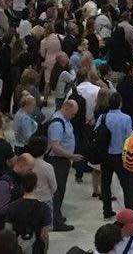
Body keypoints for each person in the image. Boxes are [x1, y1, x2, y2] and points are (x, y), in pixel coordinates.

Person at [46, 98, 82, 231]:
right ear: (66, 108)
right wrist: (71, 156)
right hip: (57, 161)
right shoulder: (57, 123)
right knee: (57, 191)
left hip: (63, 161)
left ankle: (57, 215)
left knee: (60, 191)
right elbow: (55, 147)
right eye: (72, 113)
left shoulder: (65, 120)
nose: (73, 116)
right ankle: (55, 222)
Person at [97, 92, 133, 217]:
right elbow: (128, 138)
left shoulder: (103, 117)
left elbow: (96, 132)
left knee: (105, 183)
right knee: (126, 184)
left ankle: (106, 210)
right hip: (120, 155)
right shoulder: (126, 118)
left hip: (105, 155)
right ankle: (129, 210)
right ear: (120, 104)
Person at [3, 171, 51, 254]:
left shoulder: (12, 206)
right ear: (36, 186)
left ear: (22, 186)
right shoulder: (44, 208)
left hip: (17, 247)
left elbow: (8, 231)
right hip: (36, 248)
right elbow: (44, 235)